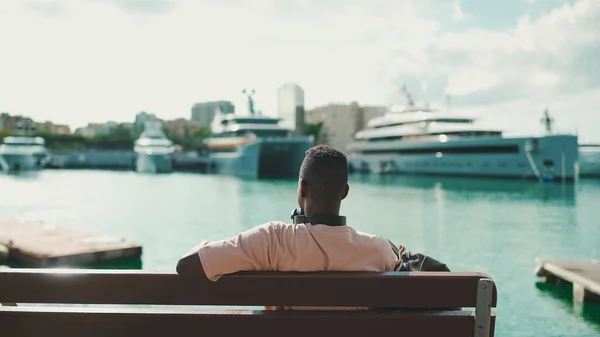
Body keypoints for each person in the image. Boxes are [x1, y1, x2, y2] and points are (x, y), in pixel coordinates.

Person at [176, 144, 400, 308]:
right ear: (345, 192)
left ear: (302, 189)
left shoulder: (272, 240)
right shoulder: (378, 249)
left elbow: (187, 266)